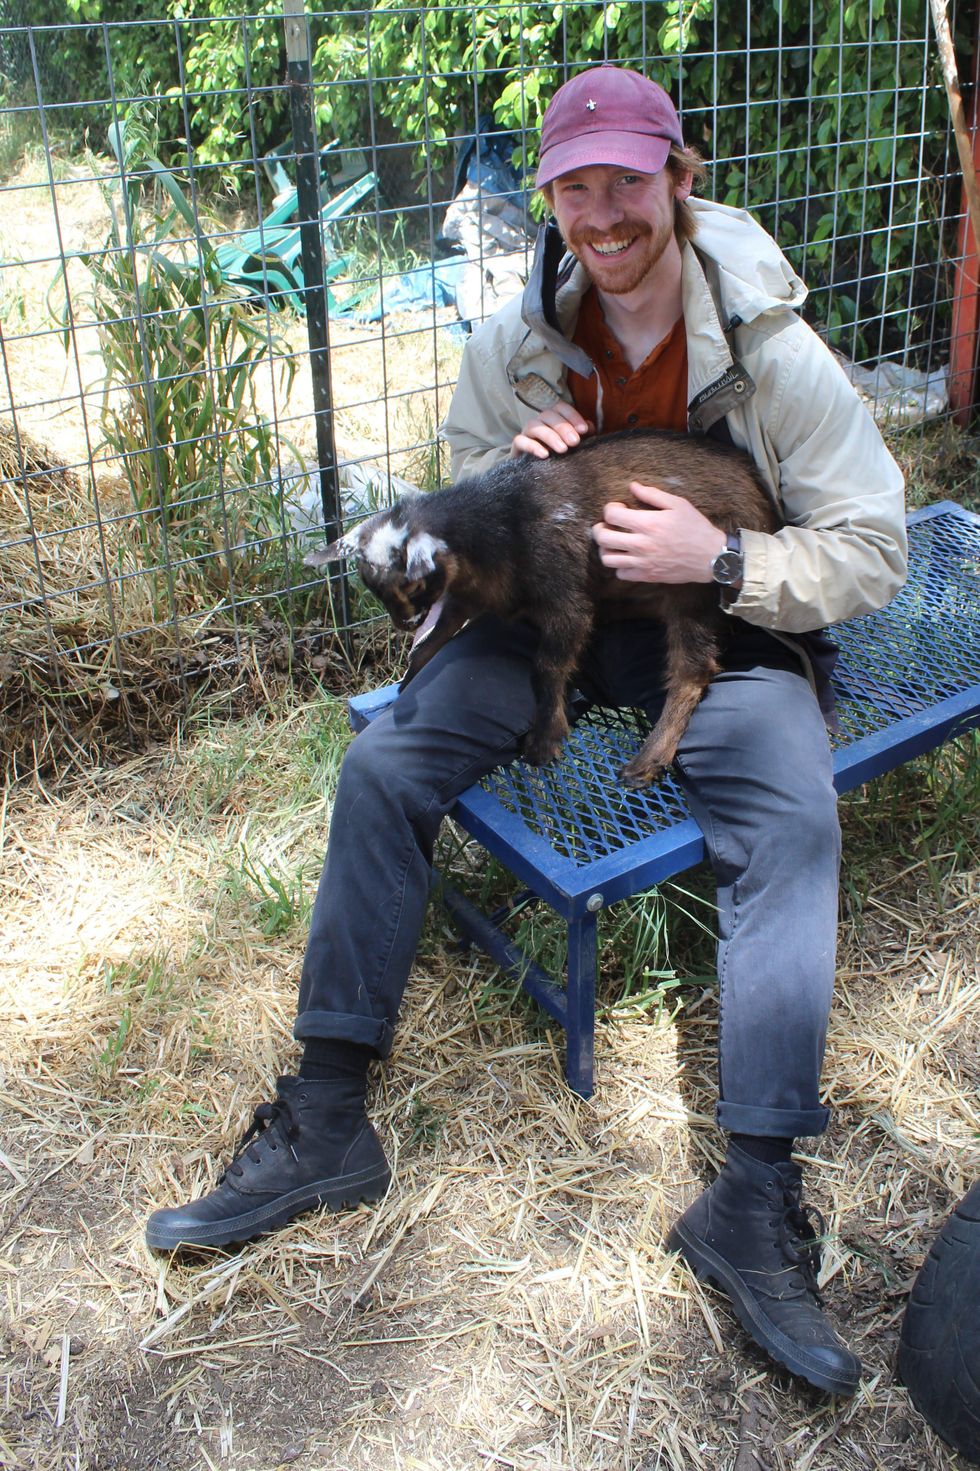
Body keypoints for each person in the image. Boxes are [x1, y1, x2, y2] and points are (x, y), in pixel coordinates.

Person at [146, 64, 907, 1398]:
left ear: (680, 178)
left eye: (626, 180)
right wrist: (504, 466)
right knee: (386, 762)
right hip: (543, 626)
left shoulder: (776, 355)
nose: (600, 213)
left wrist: (723, 560)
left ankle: (752, 1197)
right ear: (549, 198)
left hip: (715, 626)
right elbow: (453, 502)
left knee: (792, 813)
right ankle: (327, 1120)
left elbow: (872, 551)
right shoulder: (514, 334)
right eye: (572, 187)